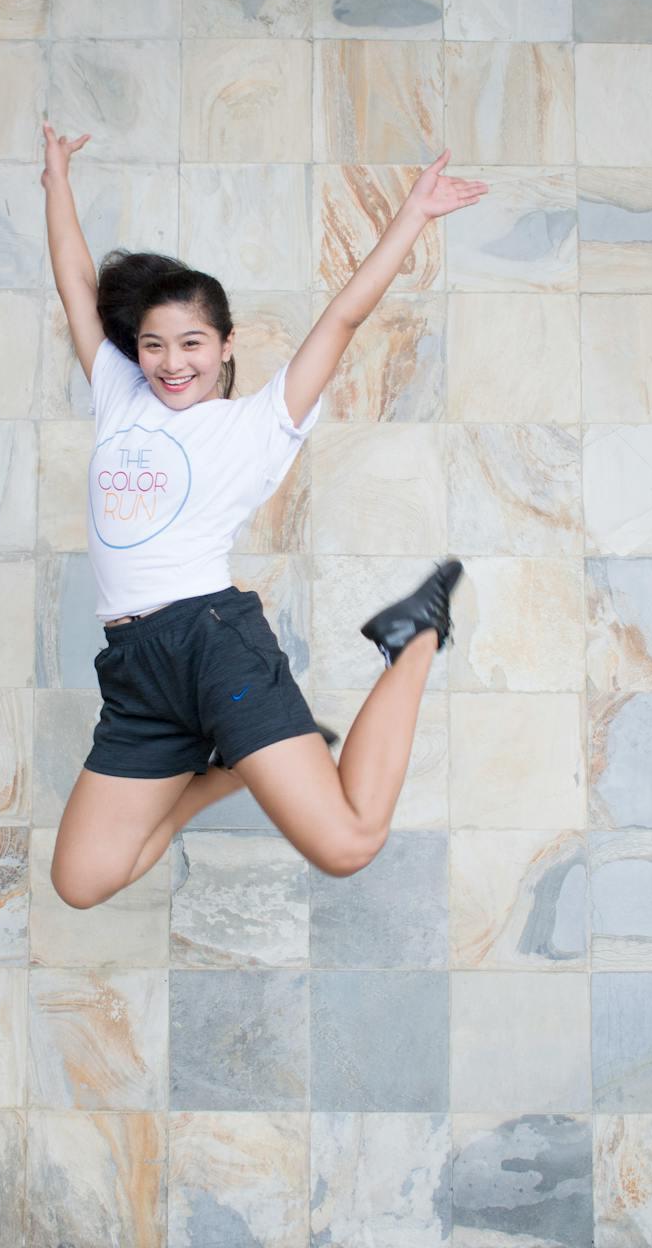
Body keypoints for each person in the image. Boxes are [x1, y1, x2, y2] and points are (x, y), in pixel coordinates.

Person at [41, 120, 486, 909]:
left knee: (348, 845)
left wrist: (411, 217)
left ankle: (413, 636)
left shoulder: (260, 422)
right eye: (153, 345)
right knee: (81, 881)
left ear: (224, 343)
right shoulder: (119, 396)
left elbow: (343, 318)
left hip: (212, 645)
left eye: (191, 343)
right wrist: (56, 179)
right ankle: (217, 778)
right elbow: (77, 281)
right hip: (135, 668)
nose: (172, 363)